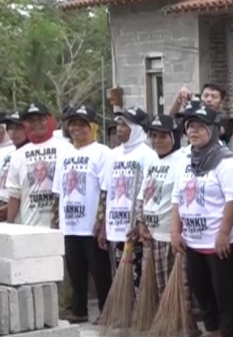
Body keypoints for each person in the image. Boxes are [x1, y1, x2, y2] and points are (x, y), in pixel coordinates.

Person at [173, 106, 233, 337]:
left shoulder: (227, 162)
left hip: (219, 238)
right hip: (194, 238)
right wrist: (176, 231)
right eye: (190, 126)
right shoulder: (186, 162)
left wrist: (224, 233)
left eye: (200, 127)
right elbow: (176, 199)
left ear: (214, 130)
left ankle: (228, 333)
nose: (193, 131)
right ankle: (212, 328)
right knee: (201, 288)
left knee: (224, 287)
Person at [137, 113, 193, 333]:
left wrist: (177, 231)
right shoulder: (152, 161)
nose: (157, 141)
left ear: (173, 137)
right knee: (158, 285)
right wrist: (141, 222)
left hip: (170, 234)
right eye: (154, 136)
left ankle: (182, 324)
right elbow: (143, 194)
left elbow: (181, 198)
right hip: (151, 234)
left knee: (178, 284)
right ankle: (165, 321)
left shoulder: (182, 160)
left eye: (162, 136)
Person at [56, 105, 112, 323]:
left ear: (93, 126)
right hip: (69, 223)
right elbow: (58, 191)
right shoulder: (65, 153)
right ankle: (79, 310)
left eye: (82, 124)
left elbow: (106, 189)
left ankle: (106, 310)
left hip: (90, 224)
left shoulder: (102, 152)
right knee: (75, 271)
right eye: (72, 124)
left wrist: (100, 221)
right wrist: (56, 221)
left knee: (100, 271)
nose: (76, 128)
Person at [102, 107, 158, 290]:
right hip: (115, 225)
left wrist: (140, 222)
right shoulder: (113, 154)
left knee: (138, 277)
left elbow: (150, 192)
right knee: (120, 275)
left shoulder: (148, 155)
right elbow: (107, 190)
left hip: (135, 228)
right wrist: (103, 226)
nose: (119, 129)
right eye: (118, 124)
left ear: (136, 129)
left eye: (124, 125)